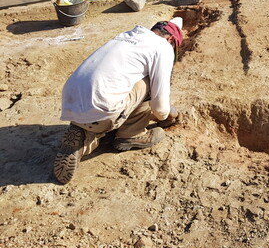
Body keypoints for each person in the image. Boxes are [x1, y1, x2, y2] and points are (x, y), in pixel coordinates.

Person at [53, 17, 184, 184]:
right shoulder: (163, 47)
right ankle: (130, 134)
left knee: (123, 85)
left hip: (71, 101)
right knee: (150, 82)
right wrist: (171, 115)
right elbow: (160, 108)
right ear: (171, 39)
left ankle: (85, 137)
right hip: (104, 106)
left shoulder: (125, 36)